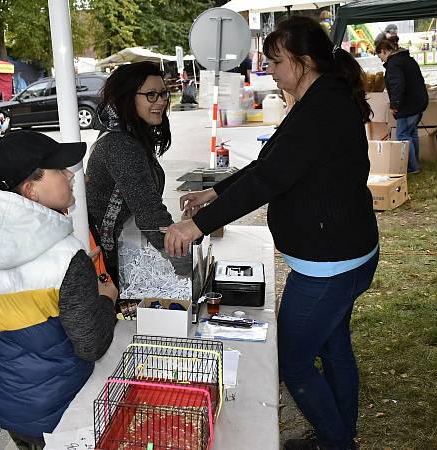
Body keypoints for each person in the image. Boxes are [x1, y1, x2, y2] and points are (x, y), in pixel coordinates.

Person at [163, 17, 380, 450]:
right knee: (333, 346)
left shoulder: (322, 109)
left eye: (276, 61)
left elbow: (268, 181)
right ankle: (340, 436)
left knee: (294, 360)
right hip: (343, 255)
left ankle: (337, 443)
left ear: (303, 62)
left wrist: (195, 225)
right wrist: (215, 191)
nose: (270, 70)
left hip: (330, 266)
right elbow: (270, 165)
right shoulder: (318, 100)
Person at [0, 130, 118, 450]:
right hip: (57, 408)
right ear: (31, 189)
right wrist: (106, 299)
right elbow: (91, 344)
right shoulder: (66, 260)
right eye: (59, 170)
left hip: (0, 396)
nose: (72, 176)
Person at [86, 61, 187, 285]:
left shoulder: (125, 135)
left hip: (124, 253)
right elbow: (149, 212)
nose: (160, 101)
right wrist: (185, 265)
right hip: (113, 263)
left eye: (163, 93)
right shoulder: (120, 145)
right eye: (151, 95)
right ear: (127, 98)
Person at [376, 36, 428, 174]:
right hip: (418, 102)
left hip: (408, 104)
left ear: (384, 51)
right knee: (412, 133)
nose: (380, 59)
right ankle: (415, 163)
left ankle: (412, 167)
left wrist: (394, 105)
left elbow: (397, 86)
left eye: (379, 55)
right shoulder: (407, 59)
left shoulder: (394, 64)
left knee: (403, 135)